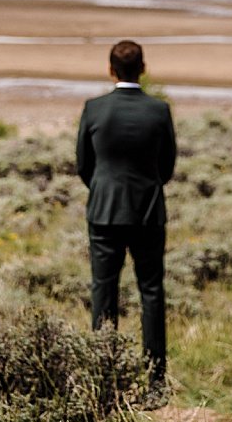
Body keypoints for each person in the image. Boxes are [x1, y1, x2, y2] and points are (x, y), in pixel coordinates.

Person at [75, 39, 176, 390]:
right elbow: (167, 166)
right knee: (151, 292)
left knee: (104, 290)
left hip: (104, 212)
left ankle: (104, 375)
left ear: (110, 69)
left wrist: (104, 190)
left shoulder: (94, 109)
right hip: (148, 211)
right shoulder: (158, 111)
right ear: (143, 69)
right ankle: (156, 378)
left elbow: (83, 165)